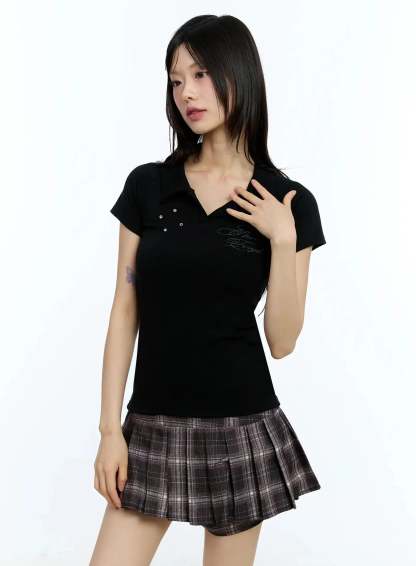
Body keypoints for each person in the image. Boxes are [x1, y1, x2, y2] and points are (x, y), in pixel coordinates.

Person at [89, 14, 326, 566]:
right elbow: (125, 308)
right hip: (151, 424)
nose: (187, 93)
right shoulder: (149, 186)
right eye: (176, 80)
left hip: (240, 427)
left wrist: (283, 238)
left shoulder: (288, 201)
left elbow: (283, 340)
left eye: (200, 75)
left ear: (239, 74)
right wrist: (109, 430)